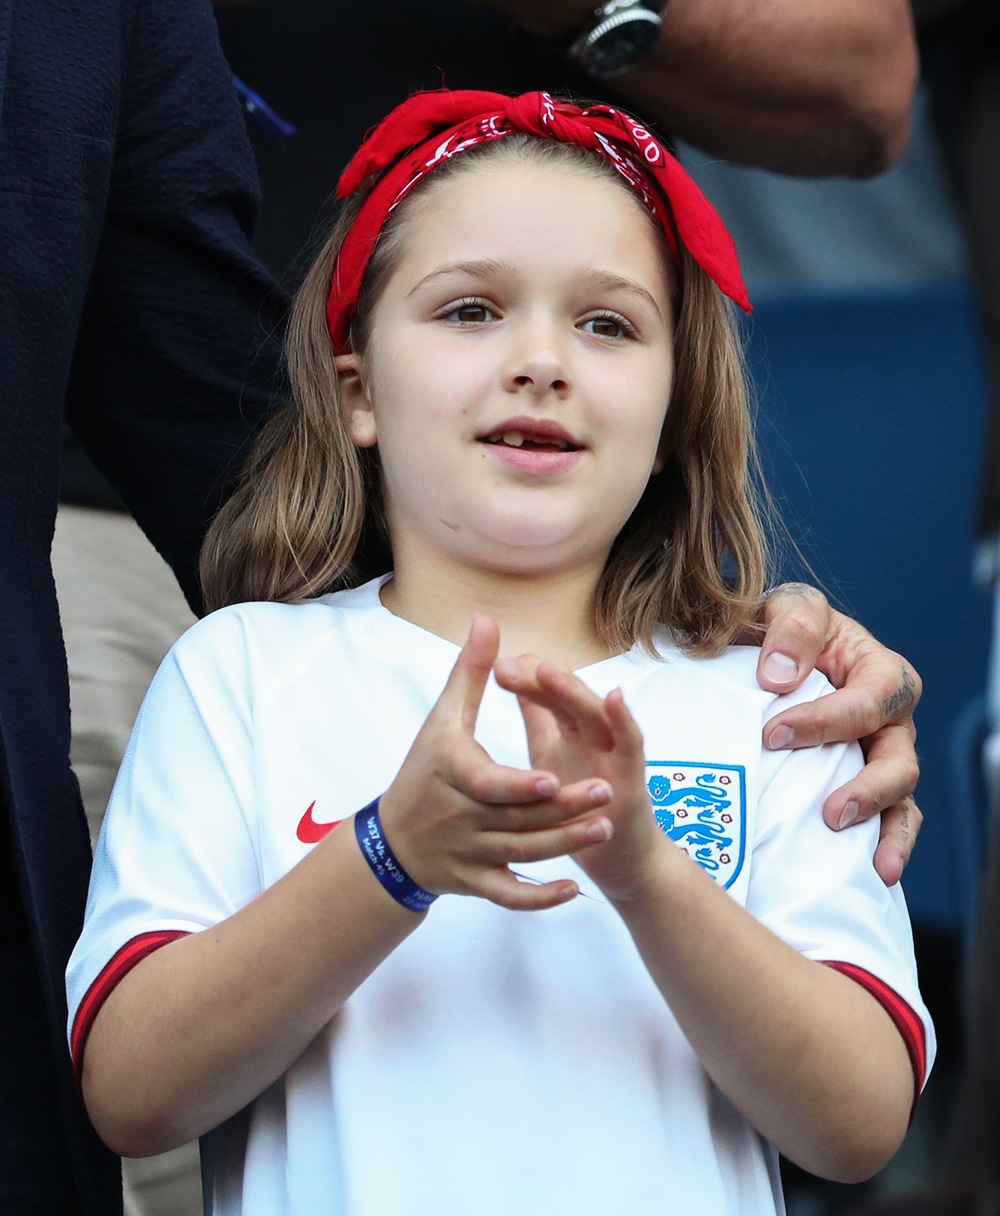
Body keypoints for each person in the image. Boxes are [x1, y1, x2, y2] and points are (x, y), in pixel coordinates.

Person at [66, 90, 932, 1216]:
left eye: (608, 324)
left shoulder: (774, 699)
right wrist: (391, 856)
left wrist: (644, 872)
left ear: (677, 417)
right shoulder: (238, 672)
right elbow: (131, 1090)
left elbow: (859, 1125)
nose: (540, 360)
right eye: (471, 310)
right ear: (359, 389)